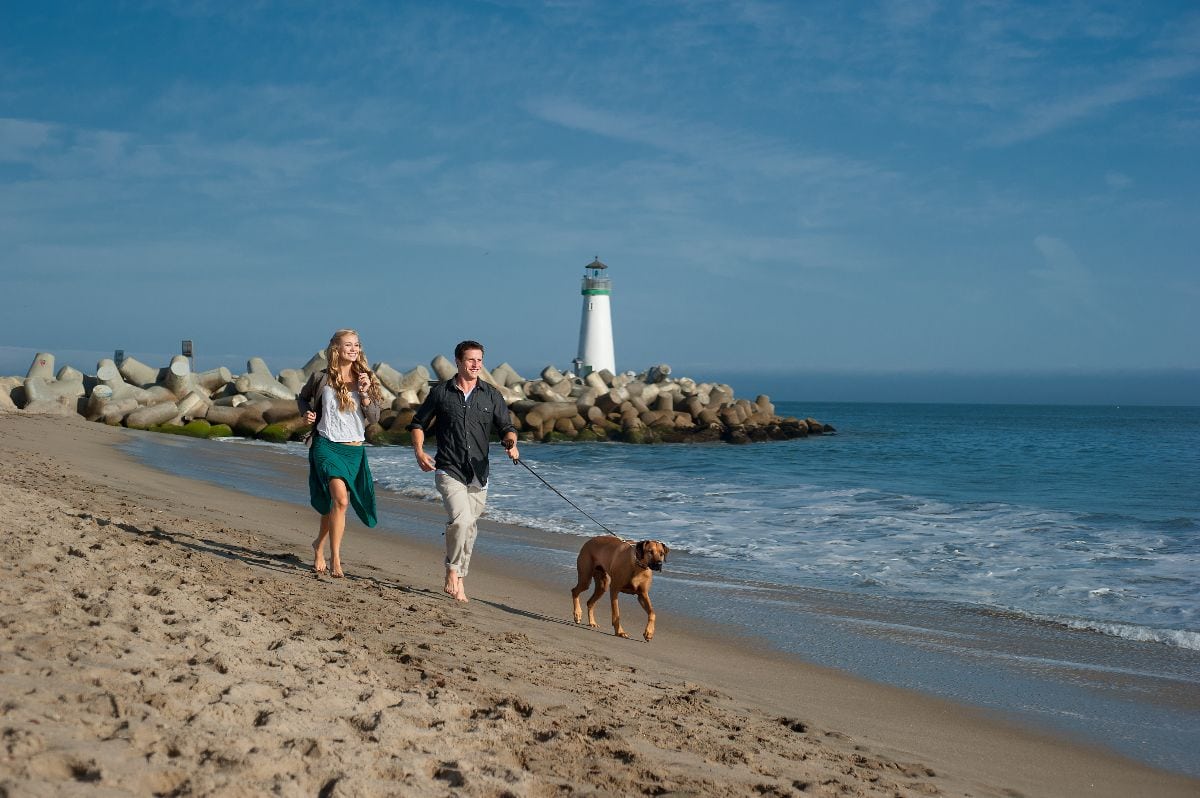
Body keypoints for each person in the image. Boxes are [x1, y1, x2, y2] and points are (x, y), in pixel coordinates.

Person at [408, 340, 519, 602]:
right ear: (458, 362)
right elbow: (417, 423)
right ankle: (452, 569)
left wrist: (511, 444)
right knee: (461, 521)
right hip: (448, 467)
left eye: (480, 360)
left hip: (479, 473)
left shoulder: (491, 394)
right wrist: (419, 452)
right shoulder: (441, 393)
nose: (476, 364)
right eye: (471, 360)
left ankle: (460, 578)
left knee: (470, 528)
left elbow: (507, 426)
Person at [297, 329, 383, 578]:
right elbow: (303, 399)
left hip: (354, 450)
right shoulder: (320, 378)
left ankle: (319, 546)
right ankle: (336, 558)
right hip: (326, 445)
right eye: (348, 345)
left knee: (333, 506)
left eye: (356, 345)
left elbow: (374, 418)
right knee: (341, 500)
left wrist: (365, 392)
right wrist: (307, 414)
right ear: (336, 348)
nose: (353, 349)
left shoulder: (366, 378)